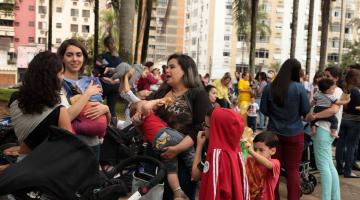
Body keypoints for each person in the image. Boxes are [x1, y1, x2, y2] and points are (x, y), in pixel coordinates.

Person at [132, 53, 212, 200]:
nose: (166, 70)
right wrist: (138, 117)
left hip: (183, 159)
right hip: (155, 157)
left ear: (186, 71)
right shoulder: (162, 91)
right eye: (166, 67)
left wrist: (177, 149)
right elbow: (142, 106)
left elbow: (201, 128)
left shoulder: (197, 94)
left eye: (172, 67)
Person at [260, 58, 310, 200]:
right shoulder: (299, 88)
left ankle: (273, 197)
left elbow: (264, 109)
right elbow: (305, 110)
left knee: (273, 168)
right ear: (296, 72)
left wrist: (275, 115)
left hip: (273, 134)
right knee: (293, 170)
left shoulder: (270, 87)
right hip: (295, 133)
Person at [9, 51, 73, 159]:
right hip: (48, 167)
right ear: (51, 77)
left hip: (22, 163)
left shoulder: (14, 100)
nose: (63, 77)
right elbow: (68, 148)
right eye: (61, 73)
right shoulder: (59, 111)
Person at [130, 99, 194, 200]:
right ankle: (196, 172)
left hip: (158, 145)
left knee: (171, 170)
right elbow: (146, 107)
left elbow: (146, 138)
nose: (148, 104)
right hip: (166, 134)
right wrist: (157, 100)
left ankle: (177, 191)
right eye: (145, 103)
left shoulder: (144, 124)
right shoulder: (145, 115)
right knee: (188, 148)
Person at [58, 39, 110, 160]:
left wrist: (106, 109)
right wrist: (87, 94)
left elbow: (105, 120)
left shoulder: (89, 82)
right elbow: (65, 118)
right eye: (69, 55)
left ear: (84, 58)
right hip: (71, 147)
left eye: (79, 55)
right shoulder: (58, 83)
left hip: (94, 145)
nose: (75, 59)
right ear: (62, 58)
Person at [306, 66, 344, 200]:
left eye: (328, 76)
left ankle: (327, 197)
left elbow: (333, 110)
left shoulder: (335, 91)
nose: (324, 78)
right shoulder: (331, 90)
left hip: (324, 129)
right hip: (326, 129)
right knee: (328, 164)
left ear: (336, 78)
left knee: (323, 166)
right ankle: (334, 197)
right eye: (324, 76)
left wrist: (314, 116)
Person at [195, 108, 249, 200]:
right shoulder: (236, 151)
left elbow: (212, 192)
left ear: (216, 128)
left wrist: (199, 146)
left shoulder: (217, 154)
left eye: (206, 125)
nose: (203, 128)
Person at [335, 69, 360, 178]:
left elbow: (344, 106)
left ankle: (339, 168)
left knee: (340, 145)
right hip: (354, 121)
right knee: (351, 146)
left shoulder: (345, 89)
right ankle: (348, 171)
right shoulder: (356, 91)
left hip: (343, 120)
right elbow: (356, 107)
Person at [244, 131, 280, 200]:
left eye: (261, 150)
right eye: (255, 149)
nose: (257, 152)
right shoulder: (251, 160)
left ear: (272, 151)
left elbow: (268, 164)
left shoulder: (275, 163)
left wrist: (252, 151)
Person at [100, 36, 122, 125]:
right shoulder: (119, 59)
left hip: (104, 85)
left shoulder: (103, 57)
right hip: (116, 86)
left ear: (105, 45)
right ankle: (114, 129)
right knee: (112, 108)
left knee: (97, 104)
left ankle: (100, 125)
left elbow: (97, 72)